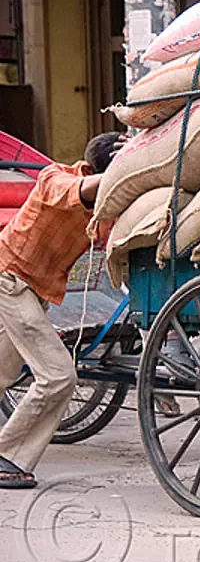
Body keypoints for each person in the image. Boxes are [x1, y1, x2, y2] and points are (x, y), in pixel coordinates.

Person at [0, 132, 122, 488]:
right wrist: (133, 164)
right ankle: (8, 456)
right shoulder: (55, 177)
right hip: (9, 279)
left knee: (3, 369)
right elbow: (77, 192)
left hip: (33, 290)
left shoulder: (103, 211)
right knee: (58, 376)